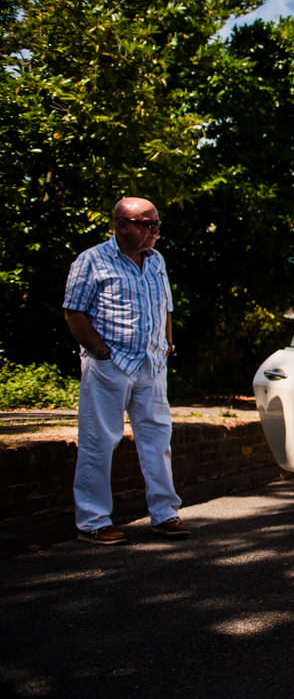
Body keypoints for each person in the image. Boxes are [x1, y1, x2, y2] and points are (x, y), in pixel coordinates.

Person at [63, 197, 190, 545]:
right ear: (121, 225)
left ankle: (165, 514)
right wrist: (100, 351)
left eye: (156, 224)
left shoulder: (156, 261)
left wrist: (167, 345)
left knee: (157, 441)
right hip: (109, 365)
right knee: (98, 441)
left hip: (151, 364)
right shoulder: (92, 260)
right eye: (146, 224)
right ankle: (93, 522)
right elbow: (74, 312)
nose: (154, 232)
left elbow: (165, 306)